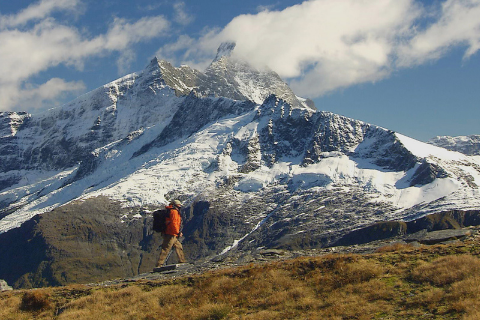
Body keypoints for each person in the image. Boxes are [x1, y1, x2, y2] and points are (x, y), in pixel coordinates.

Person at [156, 199, 186, 267]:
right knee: (166, 249)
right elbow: (174, 223)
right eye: (179, 205)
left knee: (178, 246)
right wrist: (178, 232)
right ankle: (159, 265)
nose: (179, 206)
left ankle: (182, 261)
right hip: (170, 234)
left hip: (172, 233)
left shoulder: (172, 211)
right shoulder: (174, 212)